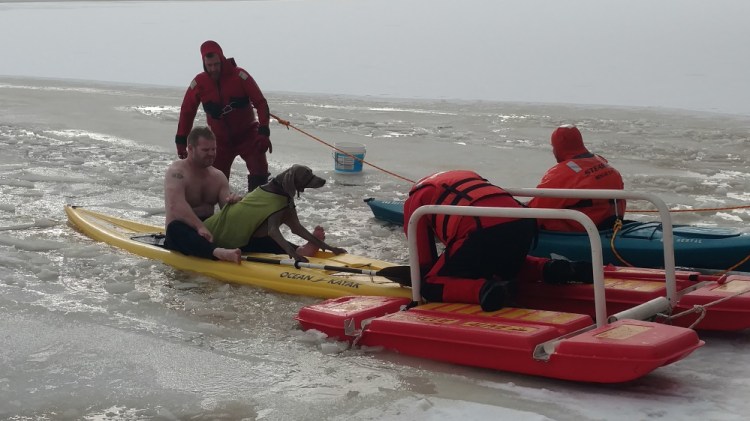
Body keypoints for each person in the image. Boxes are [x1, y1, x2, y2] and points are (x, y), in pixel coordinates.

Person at [403, 170, 593, 312]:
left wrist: (421, 284)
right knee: (504, 263)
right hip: (522, 220)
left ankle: (486, 290)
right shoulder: (464, 176)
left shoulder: (415, 200)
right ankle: (555, 268)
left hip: (480, 228)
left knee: (429, 284)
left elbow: (422, 257)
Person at [175, 40, 273, 192]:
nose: (213, 69)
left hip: (248, 135)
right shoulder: (199, 83)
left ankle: (258, 209)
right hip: (219, 141)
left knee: (259, 172)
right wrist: (181, 140)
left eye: (216, 64)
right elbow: (187, 111)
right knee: (215, 181)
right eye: (209, 65)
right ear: (204, 64)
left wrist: (264, 131)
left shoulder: (240, 76)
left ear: (221, 59)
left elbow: (261, 103)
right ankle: (220, 211)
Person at [204, 164, 348, 262]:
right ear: (291, 182)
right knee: (266, 235)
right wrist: (293, 255)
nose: (316, 181)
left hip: (250, 235)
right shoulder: (271, 198)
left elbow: (296, 228)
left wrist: (331, 248)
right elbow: (273, 231)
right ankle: (298, 251)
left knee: (263, 234)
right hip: (216, 236)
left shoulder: (283, 197)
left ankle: (302, 249)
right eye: (307, 178)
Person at [163, 126, 244, 263]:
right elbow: (175, 206)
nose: (211, 153)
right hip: (183, 234)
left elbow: (227, 210)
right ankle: (218, 253)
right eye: (205, 150)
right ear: (190, 149)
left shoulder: (218, 177)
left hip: (209, 233)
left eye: (214, 149)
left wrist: (236, 202)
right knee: (174, 228)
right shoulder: (177, 172)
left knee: (248, 232)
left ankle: (289, 250)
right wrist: (199, 226)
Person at [527, 124, 626, 231]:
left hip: (581, 232)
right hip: (610, 224)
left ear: (559, 147)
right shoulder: (601, 161)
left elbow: (534, 213)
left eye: (554, 147)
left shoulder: (561, 174)